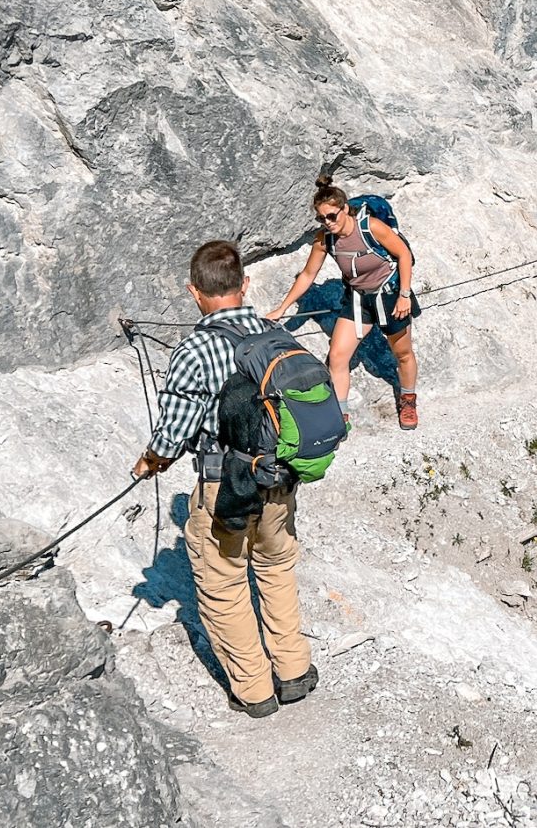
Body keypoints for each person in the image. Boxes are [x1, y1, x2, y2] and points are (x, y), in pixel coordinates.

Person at [131, 240, 318, 719]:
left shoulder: (195, 350)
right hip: (280, 479)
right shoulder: (274, 334)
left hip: (224, 484)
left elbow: (173, 432)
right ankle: (294, 670)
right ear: (245, 286)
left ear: (195, 292)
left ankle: (254, 691)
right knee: (276, 568)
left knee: (224, 584)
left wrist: (151, 461)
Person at [268, 175, 422, 429]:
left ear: (345, 209)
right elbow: (308, 275)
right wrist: (283, 309)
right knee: (338, 356)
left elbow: (403, 254)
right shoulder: (324, 240)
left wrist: (404, 295)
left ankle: (408, 400)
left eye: (332, 216)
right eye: (321, 218)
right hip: (358, 299)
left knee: (402, 353)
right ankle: (340, 418)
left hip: (389, 294)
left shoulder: (370, 227)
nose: (328, 223)